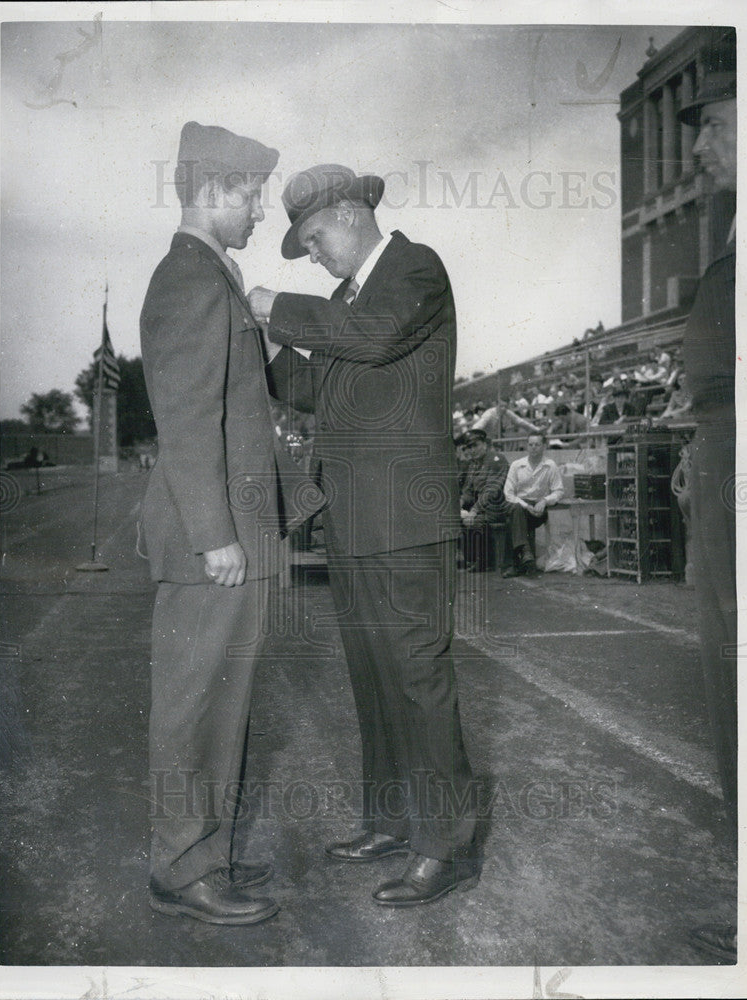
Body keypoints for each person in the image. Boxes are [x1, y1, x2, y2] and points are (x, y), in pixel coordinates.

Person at [249, 163, 479, 907]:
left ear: (349, 213)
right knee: (376, 682)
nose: (313, 254)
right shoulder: (347, 305)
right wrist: (252, 338)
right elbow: (316, 387)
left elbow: (371, 338)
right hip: (354, 522)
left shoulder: (414, 268)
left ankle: (444, 847)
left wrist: (273, 305)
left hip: (407, 523)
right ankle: (388, 820)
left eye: (313, 239)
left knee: (417, 679)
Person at [139, 123, 323, 926]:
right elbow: (185, 419)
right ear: (214, 193)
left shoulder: (214, 277)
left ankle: (204, 851)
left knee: (223, 704)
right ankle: (182, 866)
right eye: (248, 195)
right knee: (191, 707)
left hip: (235, 537)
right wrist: (217, 534)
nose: (256, 211)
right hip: (209, 541)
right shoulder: (188, 279)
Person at [677, 72, 738, 963]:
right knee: (727, 654)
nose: (696, 146)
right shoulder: (733, 225)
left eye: (715, 125)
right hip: (725, 448)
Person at [501, 431, 564, 577]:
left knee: (514, 519)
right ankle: (526, 555)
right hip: (519, 505)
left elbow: (559, 491)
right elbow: (509, 493)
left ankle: (514, 563)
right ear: (526, 446)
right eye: (530, 444)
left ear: (544, 446)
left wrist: (544, 501)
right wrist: (525, 506)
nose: (533, 447)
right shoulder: (517, 465)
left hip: (538, 509)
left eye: (537, 444)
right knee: (516, 512)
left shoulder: (550, 465)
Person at [459, 428, 510, 572]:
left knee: (476, 521)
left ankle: (483, 561)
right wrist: (460, 502)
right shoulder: (474, 464)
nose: (472, 450)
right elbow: (468, 490)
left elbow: (491, 491)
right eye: (469, 447)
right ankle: (469, 558)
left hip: (497, 507)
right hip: (481, 507)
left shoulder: (496, 460)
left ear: (485, 444)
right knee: (456, 517)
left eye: (475, 445)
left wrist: (474, 510)